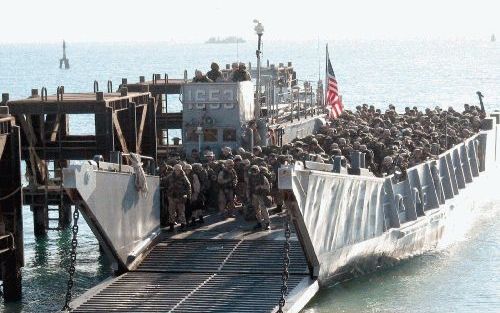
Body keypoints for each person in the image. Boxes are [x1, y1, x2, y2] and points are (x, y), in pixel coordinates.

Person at [165, 164, 191, 231]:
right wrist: (168, 192)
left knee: (181, 211)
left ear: (181, 169)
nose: (177, 171)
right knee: (171, 211)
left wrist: (188, 196)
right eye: (176, 170)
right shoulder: (170, 176)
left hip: (181, 197)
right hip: (171, 196)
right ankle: (171, 226)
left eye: (179, 170)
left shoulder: (184, 176)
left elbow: (188, 186)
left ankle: (183, 225)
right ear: (174, 170)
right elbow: (165, 183)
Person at [247, 165, 271, 230]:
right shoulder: (250, 177)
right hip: (254, 195)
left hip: (261, 195)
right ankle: (259, 222)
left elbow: (268, 186)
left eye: (255, 170)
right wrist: (248, 196)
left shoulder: (263, 177)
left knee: (263, 209)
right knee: (256, 209)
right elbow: (248, 187)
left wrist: (260, 186)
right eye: (253, 171)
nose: (254, 172)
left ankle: (267, 223)